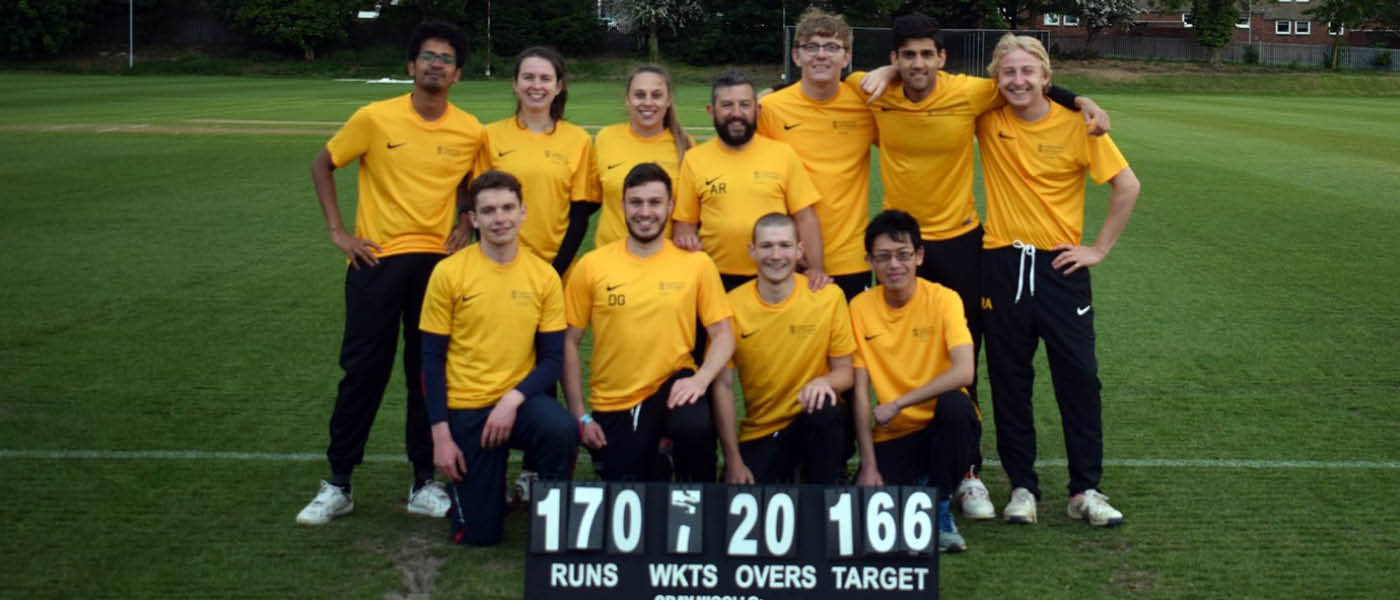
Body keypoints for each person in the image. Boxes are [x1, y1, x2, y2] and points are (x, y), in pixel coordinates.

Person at [848, 12, 1112, 520]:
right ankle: (888, 454)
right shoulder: (875, 97)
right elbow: (831, 91)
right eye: (908, 56)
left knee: (964, 360)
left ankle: (967, 475)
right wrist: (877, 76)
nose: (919, 63)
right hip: (902, 247)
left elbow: (1030, 85)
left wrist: (1082, 99)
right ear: (895, 59)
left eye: (928, 54)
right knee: (891, 350)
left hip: (965, 244)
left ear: (943, 58)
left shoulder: (973, 93)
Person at [297, 22, 482, 526]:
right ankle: (338, 483)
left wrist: (466, 218)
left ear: (458, 73)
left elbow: (475, 185)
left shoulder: (470, 129)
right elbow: (322, 164)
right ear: (410, 66)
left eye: (445, 58)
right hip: (375, 263)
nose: (435, 64)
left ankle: (425, 482)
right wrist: (339, 231)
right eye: (427, 56)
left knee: (426, 375)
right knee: (363, 373)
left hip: (437, 269)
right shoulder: (374, 118)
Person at [976, 34, 1140, 527]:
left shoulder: (1078, 126)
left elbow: (1127, 185)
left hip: (1060, 269)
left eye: (1029, 72)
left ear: (1047, 78)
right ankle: (1022, 487)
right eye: (1008, 72)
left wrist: (1099, 249)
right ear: (996, 79)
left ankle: (1084, 489)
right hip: (1002, 264)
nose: (1018, 80)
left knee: (1081, 379)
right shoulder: (986, 117)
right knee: (1009, 381)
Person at [419, 170, 578, 546]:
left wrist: (512, 400)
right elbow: (430, 360)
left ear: (523, 212)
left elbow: (553, 359)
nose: (499, 218)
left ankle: (555, 512)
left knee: (561, 430)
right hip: (467, 409)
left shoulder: (543, 276)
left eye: (508, 208)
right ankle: (476, 494)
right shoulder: (448, 273)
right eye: (488, 210)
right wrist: (441, 435)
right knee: (478, 536)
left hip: (518, 403)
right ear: (473, 219)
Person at [564, 163, 734, 482]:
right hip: (614, 400)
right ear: (622, 206)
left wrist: (700, 380)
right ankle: (658, 459)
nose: (645, 212)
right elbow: (569, 341)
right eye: (636, 202)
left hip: (672, 384)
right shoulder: (592, 266)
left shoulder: (696, 263)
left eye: (655, 202)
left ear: (670, 206)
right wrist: (580, 414)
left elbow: (723, 334)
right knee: (630, 488)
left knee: (694, 426)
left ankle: (692, 494)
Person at [849, 210, 980, 553]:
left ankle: (938, 507)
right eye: (884, 257)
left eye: (903, 255)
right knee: (864, 509)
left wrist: (899, 402)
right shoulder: (859, 308)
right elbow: (860, 391)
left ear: (919, 256)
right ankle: (918, 482)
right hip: (893, 434)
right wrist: (869, 466)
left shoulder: (944, 299)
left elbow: (965, 371)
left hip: (942, 428)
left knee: (956, 405)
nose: (895, 265)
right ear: (870, 261)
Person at [711, 213, 855, 485]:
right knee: (745, 500)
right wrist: (733, 459)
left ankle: (827, 486)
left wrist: (823, 382)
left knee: (827, 407)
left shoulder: (828, 297)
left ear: (800, 250)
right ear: (752, 251)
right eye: (766, 246)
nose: (776, 255)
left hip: (812, 417)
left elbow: (846, 373)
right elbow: (723, 387)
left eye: (785, 246)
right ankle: (786, 470)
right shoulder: (730, 307)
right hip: (762, 430)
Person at [756, 7, 877, 301]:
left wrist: (890, 70)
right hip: (788, 258)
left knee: (849, 347)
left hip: (851, 259)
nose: (821, 55)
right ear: (797, 56)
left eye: (832, 47)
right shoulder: (771, 109)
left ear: (846, 57)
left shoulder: (866, 106)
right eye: (812, 47)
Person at [673, 69, 827, 292]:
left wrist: (815, 268)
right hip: (716, 279)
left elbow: (805, 218)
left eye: (745, 105)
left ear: (758, 109)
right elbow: (684, 224)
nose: (737, 113)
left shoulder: (782, 154)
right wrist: (686, 239)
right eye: (727, 105)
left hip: (775, 276)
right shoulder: (694, 159)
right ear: (711, 111)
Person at [479, 46, 597, 275]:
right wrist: (496, 260)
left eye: (545, 78)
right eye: (528, 77)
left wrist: (556, 269)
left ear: (558, 87)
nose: (536, 85)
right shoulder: (490, 136)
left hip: (556, 267)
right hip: (500, 265)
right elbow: (481, 205)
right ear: (515, 84)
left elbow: (580, 214)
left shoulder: (578, 140)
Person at [590, 65, 694, 248]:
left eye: (656, 95)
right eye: (639, 95)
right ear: (627, 99)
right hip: (609, 260)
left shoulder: (686, 146)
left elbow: (691, 210)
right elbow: (588, 201)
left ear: (668, 100)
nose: (647, 102)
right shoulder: (605, 139)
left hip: (662, 261)